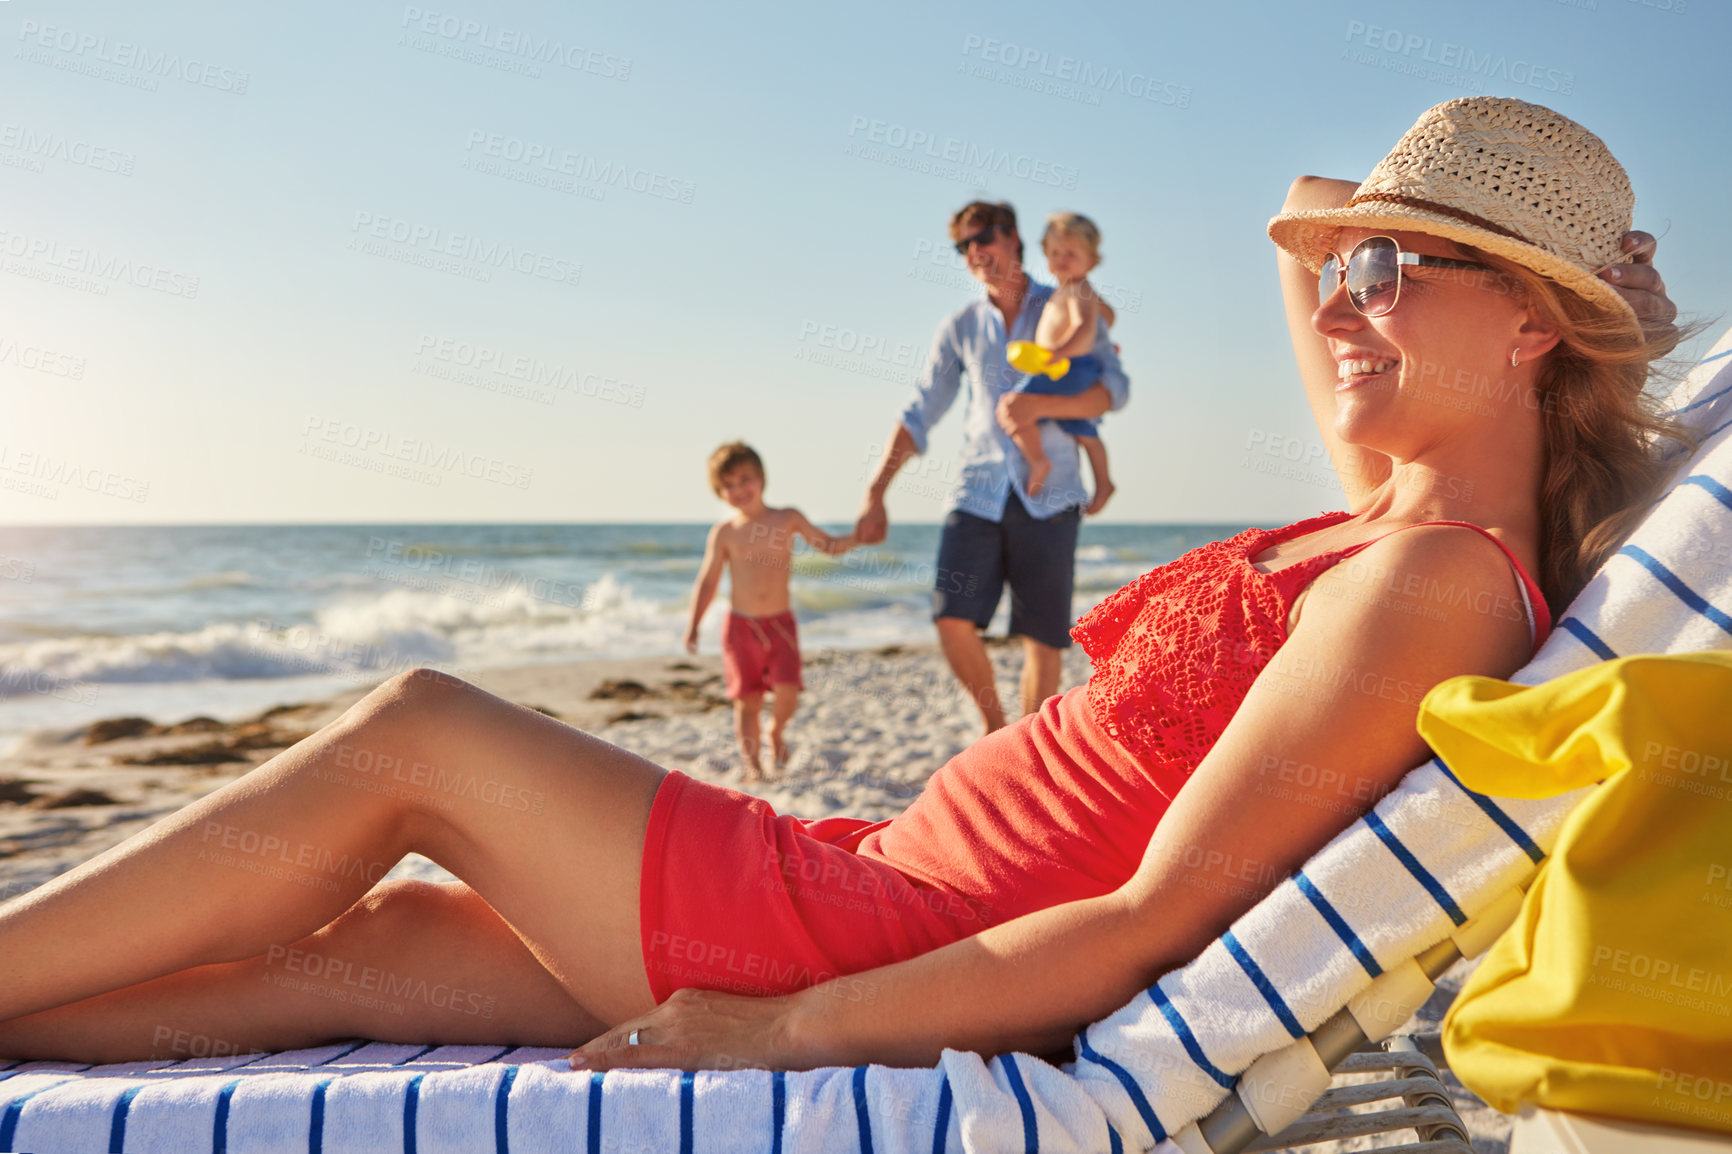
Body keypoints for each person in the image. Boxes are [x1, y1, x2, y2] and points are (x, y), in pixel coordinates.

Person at [0, 98, 1684, 1072]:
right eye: (1347, 275)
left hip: (870, 927)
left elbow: (1137, 922)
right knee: (388, 937)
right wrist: (1439, 250)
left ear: (1530, 325)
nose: (1334, 301)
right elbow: (1306, 233)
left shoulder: (1431, 587)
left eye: (1388, 274)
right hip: (861, 864)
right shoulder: (1387, 509)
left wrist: (781, 1029)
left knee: (416, 732)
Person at [857, 200, 1131, 735]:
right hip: (975, 490)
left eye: (984, 238)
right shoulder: (959, 326)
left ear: (1013, 241)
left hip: (1051, 492)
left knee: (1043, 634)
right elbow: (921, 409)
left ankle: (1023, 749)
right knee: (951, 617)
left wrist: (1040, 406)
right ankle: (995, 731)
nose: (975, 252)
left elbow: (1113, 391)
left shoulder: (1069, 301)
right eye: (963, 245)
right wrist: (877, 491)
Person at [684, 442, 855, 780]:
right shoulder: (724, 533)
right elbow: (708, 582)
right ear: (720, 493)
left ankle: (776, 733)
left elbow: (828, 545)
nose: (738, 490)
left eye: (744, 479)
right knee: (746, 701)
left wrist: (859, 537)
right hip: (740, 628)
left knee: (788, 694)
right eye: (728, 485)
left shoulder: (786, 518)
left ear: (761, 478)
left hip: (781, 626)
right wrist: (693, 626)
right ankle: (753, 765)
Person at [1004, 211, 1118, 514]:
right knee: (1084, 430)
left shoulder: (1079, 289)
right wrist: (1102, 334)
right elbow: (1107, 315)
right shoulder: (1071, 289)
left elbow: (1081, 326)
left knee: (1011, 407)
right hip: (1071, 368)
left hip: (1067, 368)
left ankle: (1037, 461)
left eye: (1071, 253)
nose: (1061, 259)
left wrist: (1060, 352)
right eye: (1055, 253)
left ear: (1091, 260)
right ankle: (1104, 482)